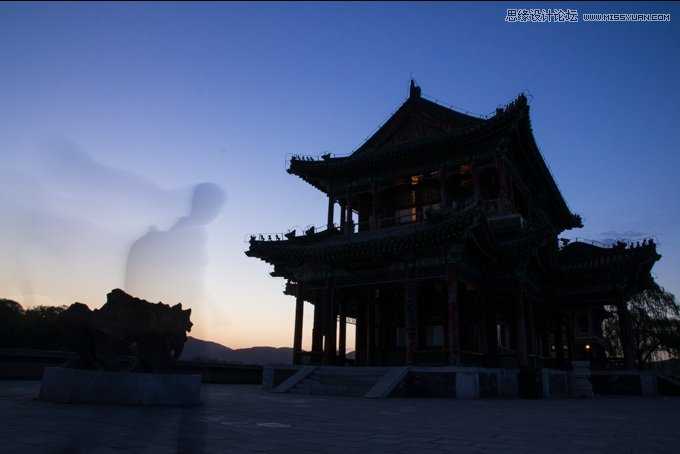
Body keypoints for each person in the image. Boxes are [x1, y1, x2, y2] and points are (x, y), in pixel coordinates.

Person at [124, 182, 225, 307]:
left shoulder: (187, 234)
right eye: (217, 207)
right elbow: (187, 282)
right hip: (167, 307)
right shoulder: (190, 237)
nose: (219, 212)